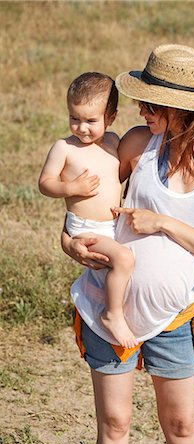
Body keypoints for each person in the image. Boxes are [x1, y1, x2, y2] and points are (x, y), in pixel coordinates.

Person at [61, 44, 194, 444]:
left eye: (151, 104)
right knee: (115, 424)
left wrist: (163, 222)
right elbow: (89, 206)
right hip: (107, 307)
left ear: (184, 108)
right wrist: (69, 241)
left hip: (173, 316)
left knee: (181, 426)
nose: (140, 111)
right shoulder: (137, 144)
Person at [39, 72, 138, 349]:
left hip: (110, 226)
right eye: (74, 118)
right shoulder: (64, 148)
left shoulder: (114, 141)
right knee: (124, 260)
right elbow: (45, 184)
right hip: (84, 227)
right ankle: (111, 315)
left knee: (118, 270)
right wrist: (72, 188)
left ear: (111, 117)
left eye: (91, 121)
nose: (81, 128)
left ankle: (102, 307)